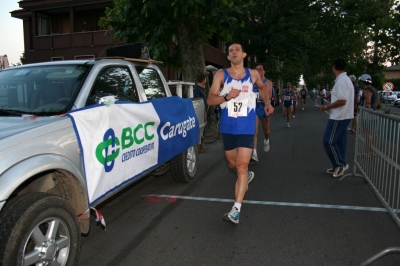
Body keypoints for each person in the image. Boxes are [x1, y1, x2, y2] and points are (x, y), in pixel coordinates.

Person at [207, 43, 274, 224]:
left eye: (237, 50)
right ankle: (246, 177)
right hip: (228, 127)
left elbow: (262, 87)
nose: (234, 52)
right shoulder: (221, 75)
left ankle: (236, 210)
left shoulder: (253, 74)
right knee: (232, 164)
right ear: (228, 57)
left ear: (243, 54)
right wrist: (226, 97)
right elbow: (210, 99)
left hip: (246, 127)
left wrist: (267, 102)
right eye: (230, 51)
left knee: (242, 166)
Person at [319, 58, 354, 178]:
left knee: (328, 141)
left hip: (339, 116)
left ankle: (340, 164)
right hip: (345, 115)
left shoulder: (341, 81)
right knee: (340, 142)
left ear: (334, 67)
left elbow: (342, 100)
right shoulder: (346, 80)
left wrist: (326, 106)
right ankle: (337, 165)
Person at [251, 64, 273, 162]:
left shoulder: (268, 82)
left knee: (266, 130)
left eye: (260, 69)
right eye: (256, 69)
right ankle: (254, 153)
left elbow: (267, 96)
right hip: (255, 108)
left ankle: (266, 139)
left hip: (264, 108)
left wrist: (256, 96)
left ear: (264, 71)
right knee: (254, 131)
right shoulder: (251, 83)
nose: (258, 71)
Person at [358, 74, 379, 155]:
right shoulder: (374, 89)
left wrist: (364, 109)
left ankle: (368, 151)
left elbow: (368, 102)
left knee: (366, 132)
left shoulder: (366, 90)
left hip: (367, 113)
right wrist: (374, 108)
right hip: (372, 112)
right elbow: (378, 99)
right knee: (368, 133)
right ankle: (369, 150)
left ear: (363, 82)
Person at [193, 73, 209, 153]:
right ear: (203, 80)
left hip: (204, 110)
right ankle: (199, 147)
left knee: (203, 127)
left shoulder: (200, 88)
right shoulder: (197, 89)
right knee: (201, 128)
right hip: (200, 111)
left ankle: (200, 146)